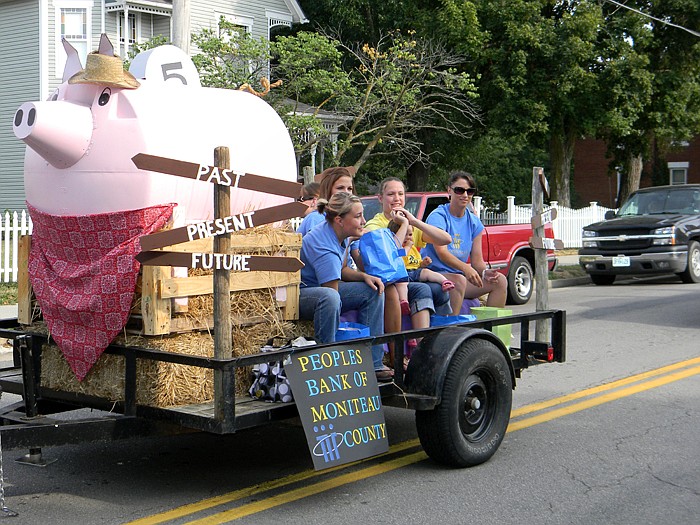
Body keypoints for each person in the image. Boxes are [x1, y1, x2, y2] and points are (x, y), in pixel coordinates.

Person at [298, 192, 392, 381]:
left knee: (373, 290)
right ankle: (327, 365)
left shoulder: (342, 234)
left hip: (322, 287)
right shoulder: (323, 245)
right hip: (302, 294)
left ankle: (373, 364)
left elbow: (341, 270)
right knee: (330, 299)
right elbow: (331, 289)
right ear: (340, 220)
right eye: (358, 216)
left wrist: (364, 276)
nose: (364, 221)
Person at [422, 171, 507, 314]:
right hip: (434, 275)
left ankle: (489, 330)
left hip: (459, 277)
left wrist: (485, 272)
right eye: (459, 190)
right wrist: (466, 269)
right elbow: (442, 253)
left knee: (500, 281)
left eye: (470, 191)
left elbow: (477, 261)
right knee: (459, 281)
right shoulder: (438, 216)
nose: (465, 195)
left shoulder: (474, 222)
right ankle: (452, 329)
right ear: (449, 190)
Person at [387, 218, 456, 312]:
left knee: (427, 272)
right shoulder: (395, 248)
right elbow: (400, 257)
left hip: (414, 271)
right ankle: (403, 301)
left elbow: (416, 263)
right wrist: (407, 247)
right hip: (402, 273)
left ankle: (445, 282)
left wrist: (423, 263)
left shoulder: (413, 248)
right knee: (401, 284)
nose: (408, 238)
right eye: (404, 235)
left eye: (410, 234)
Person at [296, 166, 355, 236]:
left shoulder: (346, 218)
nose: (346, 192)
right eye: (340, 188)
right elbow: (318, 245)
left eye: (349, 189)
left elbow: (354, 246)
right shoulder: (316, 218)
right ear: (328, 190)